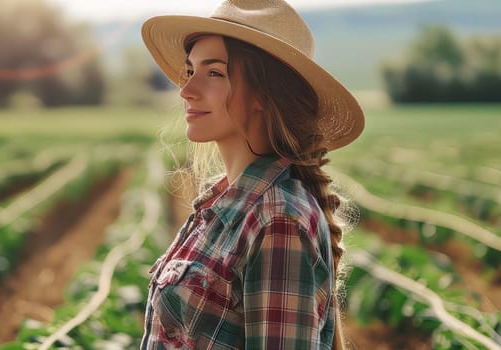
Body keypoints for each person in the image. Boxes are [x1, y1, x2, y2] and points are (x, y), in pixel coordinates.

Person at [139, 0, 365, 348]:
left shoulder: (277, 220)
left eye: (213, 73)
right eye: (190, 71)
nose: (186, 90)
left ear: (262, 93)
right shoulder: (224, 202)